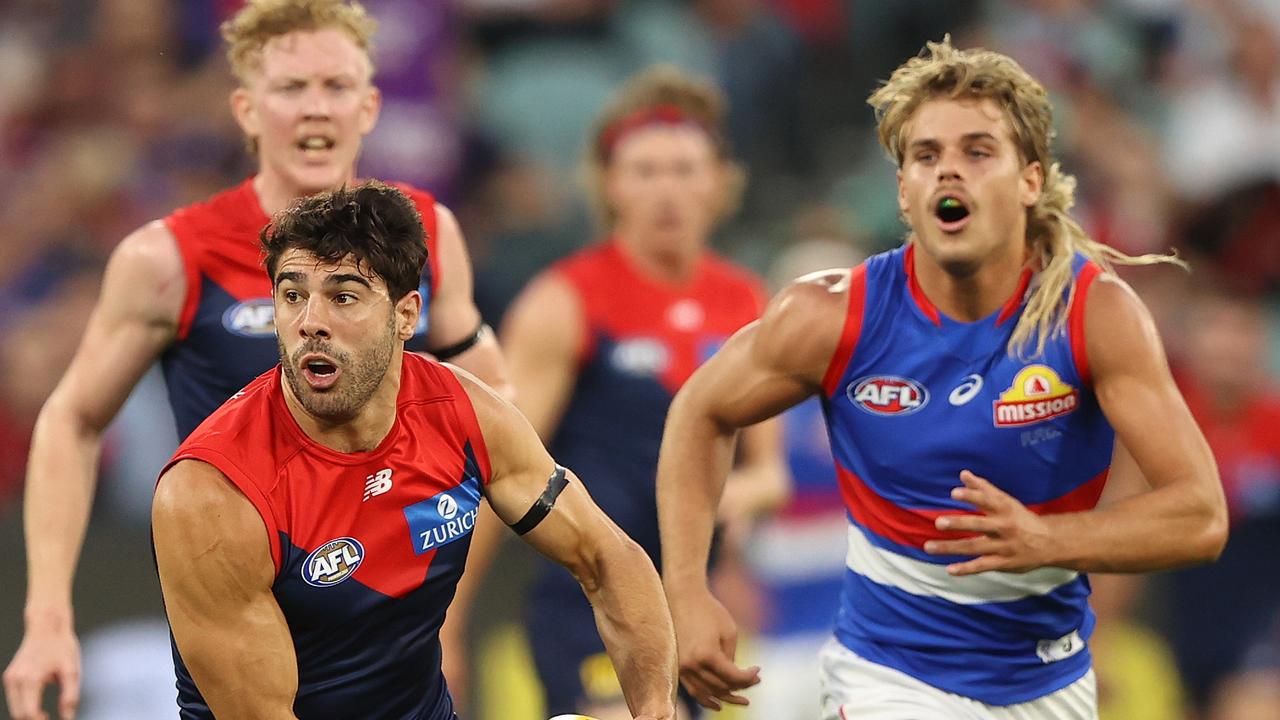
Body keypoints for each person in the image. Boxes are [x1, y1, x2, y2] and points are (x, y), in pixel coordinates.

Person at [656, 37, 1229, 720]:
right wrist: (686, 589)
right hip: (889, 679)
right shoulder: (834, 316)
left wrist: (1049, 541)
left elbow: (1199, 514)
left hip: (1050, 683)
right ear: (903, 189)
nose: (947, 173)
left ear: (1030, 180)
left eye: (977, 152)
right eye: (925, 157)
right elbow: (701, 410)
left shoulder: (1093, 315)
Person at [3, 2, 509, 719]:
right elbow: (73, 420)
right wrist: (47, 615)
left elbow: (501, 424)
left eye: (335, 87)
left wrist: (451, 610)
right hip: (241, 615)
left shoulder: (428, 234)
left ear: (368, 106)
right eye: (290, 88)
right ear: (245, 109)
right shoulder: (171, 256)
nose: (315, 109)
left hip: (393, 633)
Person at [151, 181, 676, 719]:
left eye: (343, 296)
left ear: (406, 315)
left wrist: (656, 711)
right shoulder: (211, 493)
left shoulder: (462, 412)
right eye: (292, 295)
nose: (310, 321)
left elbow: (610, 559)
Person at [485, 66, 786, 719]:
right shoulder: (565, 301)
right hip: (591, 601)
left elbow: (771, 474)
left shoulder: (744, 302)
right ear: (610, 185)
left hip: (698, 606)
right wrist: (443, 623)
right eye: (645, 172)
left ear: (718, 182)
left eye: (683, 170)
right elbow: (497, 468)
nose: (666, 191)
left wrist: (739, 501)